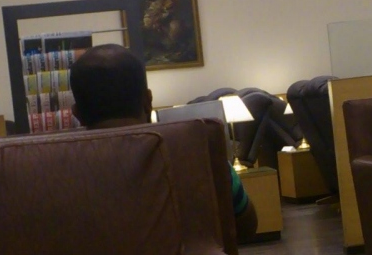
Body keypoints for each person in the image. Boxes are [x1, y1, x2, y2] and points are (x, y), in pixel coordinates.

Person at [70, 44, 259, 243]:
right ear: (148, 101)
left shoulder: (58, 168)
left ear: (77, 114)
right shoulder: (200, 151)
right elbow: (247, 228)